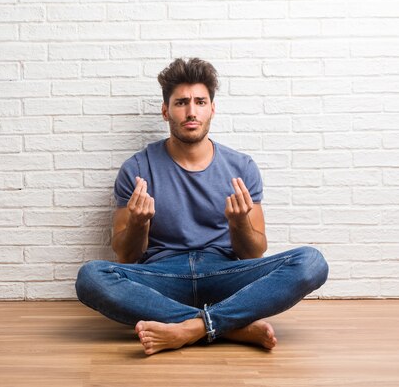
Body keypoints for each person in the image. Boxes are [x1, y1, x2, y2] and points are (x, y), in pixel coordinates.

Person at [75, 57, 329, 355]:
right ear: (165, 110)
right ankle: (229, 326)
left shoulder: (241, 167)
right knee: (90, 277)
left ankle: (190, 329)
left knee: (311, 261)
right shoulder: (136, 168)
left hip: (225, 275)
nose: (191, 111)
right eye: (181, 102)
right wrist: (139, 223)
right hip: (163, 278)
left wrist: (238, 224)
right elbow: (126, 257)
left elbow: (254, 253)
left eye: (200, 101)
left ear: (212, 108)